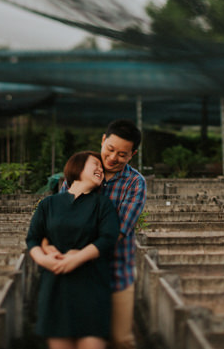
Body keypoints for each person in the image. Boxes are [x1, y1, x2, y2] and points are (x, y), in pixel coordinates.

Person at [43, 119, 146, 349]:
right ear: (102, 140)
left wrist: (76, 244)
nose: (112, 158)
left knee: (121, 339)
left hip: (116, 273)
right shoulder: (79, 171)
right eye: (109, 149)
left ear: (132, 154)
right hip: (77, 274)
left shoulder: (135, 183)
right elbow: (58, 216)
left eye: (122, 154)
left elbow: (118, 231)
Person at [26, 151, 120, 349]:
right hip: (56, 285)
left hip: (92, 285)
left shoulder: (103, 205)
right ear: (77, 166)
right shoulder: (48, 204)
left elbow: (108, 239)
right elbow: (33, 239)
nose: (100, 169)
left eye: (101, 168)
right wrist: (45, 261)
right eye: (95, 164)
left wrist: (78, 258)